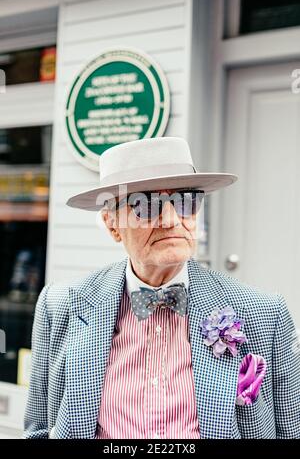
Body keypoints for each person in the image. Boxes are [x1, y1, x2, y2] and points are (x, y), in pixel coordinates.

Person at [23, 137, 300, 439]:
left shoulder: (264, 313)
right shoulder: (61, 304)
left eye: (186, 201)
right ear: (112, 224)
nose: (170, 219)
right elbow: (38, 429)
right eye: (146, 205)